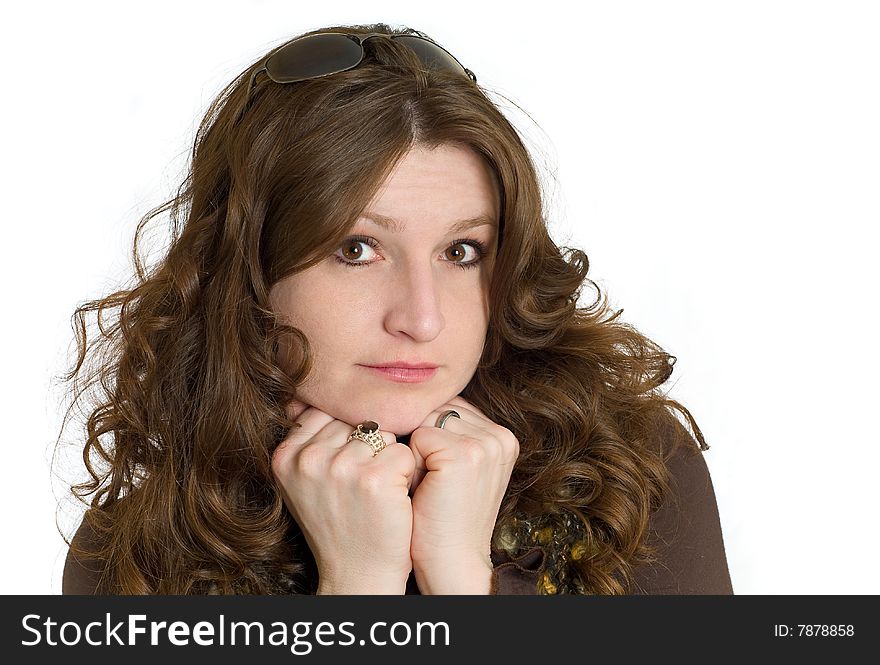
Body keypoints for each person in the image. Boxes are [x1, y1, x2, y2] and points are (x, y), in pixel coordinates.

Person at [59, 22, 733, 595]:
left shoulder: (633, 480)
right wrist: (358, 586)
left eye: (461, 251)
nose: (422, 318)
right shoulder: (131, 555)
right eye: (357, 248)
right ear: (251, 271)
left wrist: (462, 580)